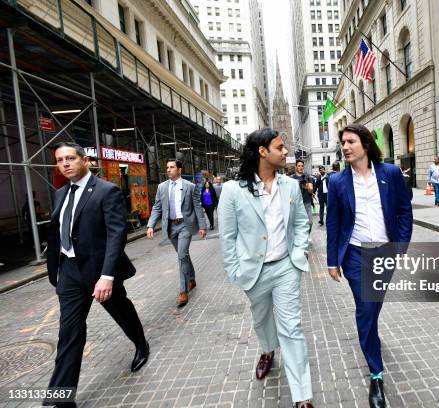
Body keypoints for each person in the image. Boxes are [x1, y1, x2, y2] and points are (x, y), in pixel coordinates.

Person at [43, 142, 148, 407]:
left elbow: (116, 234)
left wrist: (107, 276)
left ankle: (140, 344)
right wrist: (55, 266)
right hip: (68, 272)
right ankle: (60, 399)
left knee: (121, 311)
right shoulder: (60, 194)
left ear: (84, 160)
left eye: (70, 158)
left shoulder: (106, 190)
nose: (65, 163)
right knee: (69, 333)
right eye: (60, 160)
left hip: (99, 272)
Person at [218, 128, 314, 408]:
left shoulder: (290, 186)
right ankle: (267, 350)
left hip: (286, 267)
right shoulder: (233, 190)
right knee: (262, 320)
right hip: (253, 271)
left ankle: (302, 396)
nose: (286, 152)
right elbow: (228, 236)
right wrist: (235, 270)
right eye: (280, 147)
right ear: (262, 151)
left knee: (292, 328)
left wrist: (298, 255)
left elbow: (300, 224)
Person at [326, 123, 413, 408]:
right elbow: (334, 223)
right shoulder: (338, 181)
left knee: (373, 306)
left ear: (365, 143)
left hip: (385, 253)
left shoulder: (389, 173)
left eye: (350, 141)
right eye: (343, 143)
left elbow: (403, 211)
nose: (346, 147)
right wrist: (332, 261)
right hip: (354, 255)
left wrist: (399, 247)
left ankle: (371, 335)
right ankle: (376, 374)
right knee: (365, 307)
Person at [146, 159, 207, 307]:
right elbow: (157, 207)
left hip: (185, 225)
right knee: (183, 256)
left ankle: (183, 290)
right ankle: (191, 279)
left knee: (181, 256)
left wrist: (203, 226)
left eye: (172, 167)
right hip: (171, 227)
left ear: (179, 170)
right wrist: (150, 225)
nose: (168, 170)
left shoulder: (190, 187)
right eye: (167, 167)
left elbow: (197, 207)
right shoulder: (162, 187)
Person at [292, 160, 315, 227]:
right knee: (297, 223)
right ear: (296, 167)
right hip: (296, 203)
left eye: (302, 166)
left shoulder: (307, 177)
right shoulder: (292, 178)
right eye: (299, 166)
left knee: (310, 222)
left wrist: (307, 186)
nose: (300, 167)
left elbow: (311, 190)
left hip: (306, 202)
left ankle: (306, 235)